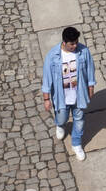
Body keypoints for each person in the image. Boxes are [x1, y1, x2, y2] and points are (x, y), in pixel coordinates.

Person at [41, 27, 95, 160]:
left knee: (79, 120)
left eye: (76, 42)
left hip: (79, 95)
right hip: (61, 97)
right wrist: (46, 98)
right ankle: (60, 125)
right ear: (64, 42)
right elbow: (47, 78)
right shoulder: (52, 56)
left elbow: (90, 70)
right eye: (72, 44)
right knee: (61, 118)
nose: (75, 45)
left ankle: (76, 144)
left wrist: (91, 88)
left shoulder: (83, 52)